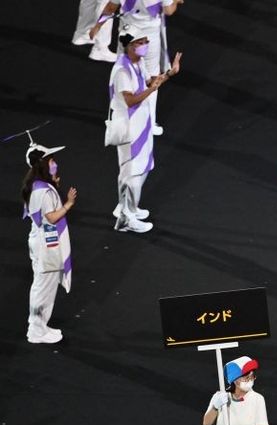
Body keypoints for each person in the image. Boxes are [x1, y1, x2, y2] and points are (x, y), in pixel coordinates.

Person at [107, 28, 182, 233]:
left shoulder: (137, 63)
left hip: (142, 124)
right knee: (132, 173)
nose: (146, 45)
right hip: (129, 128)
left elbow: (150, 81)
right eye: (142, 42)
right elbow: (130, 99)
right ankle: (126, 218)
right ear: (130, 45)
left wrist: (169, 73)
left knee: (144, 167)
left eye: (146, 41)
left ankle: (128, 207)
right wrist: (151, 90)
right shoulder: (122, 71)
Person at [91, 0, 183, 134]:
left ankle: (118, 121)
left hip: (127, 36)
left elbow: (110, 7)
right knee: (153, 78)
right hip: (150, 38)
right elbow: (169, 11)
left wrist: (97, 26)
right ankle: (149, 123)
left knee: (123, 76)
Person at [22, 143, 77, 344]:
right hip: (46, 244)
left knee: (46, 285)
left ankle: (40, 326)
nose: (55, 163)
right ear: (43, 164)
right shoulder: (41, 191)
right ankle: (36, 330)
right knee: (43, 286)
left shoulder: (39, 186)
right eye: (52, 160)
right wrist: (68, 204)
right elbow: (52, 217)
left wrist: (54, 185)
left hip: (45, 242)